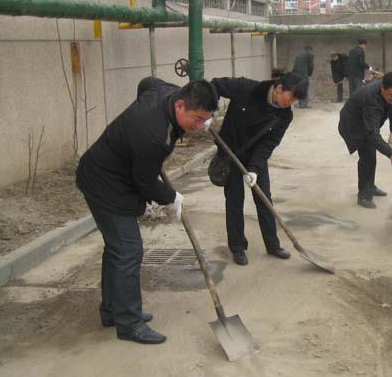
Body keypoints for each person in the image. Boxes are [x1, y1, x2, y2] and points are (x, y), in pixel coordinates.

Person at [76, 77, 218, 344]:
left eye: (206, 120)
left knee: (117, 250)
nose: (200, 126)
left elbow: (146, 83)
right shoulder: (153, 137)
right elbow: (144, 182)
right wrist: (171, 197)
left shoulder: (165, 92)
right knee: (128, 250)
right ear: (179, 106)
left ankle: (113, 311)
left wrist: (200, 117)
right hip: (105, 183)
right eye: (198, 119)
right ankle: (129, 324)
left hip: (111, 171)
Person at [210, 72, 306, 266]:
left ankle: (273, 245)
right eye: (292, 97)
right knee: (235, 200)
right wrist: (207, 111)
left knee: (264, 199)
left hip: (255, 156)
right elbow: (214, 85)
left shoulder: (284, 116)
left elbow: (268, 144)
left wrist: (254, 169)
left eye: (296, 100)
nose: (292, 103)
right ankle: (237, 247)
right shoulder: (246, 89)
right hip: (231, 153)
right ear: (279, 88)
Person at [338, 72, 392, 209]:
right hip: (353, 124)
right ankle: (364, 196)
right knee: (368, 156)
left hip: (367, 122)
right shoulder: (371, 98)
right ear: (382, 88)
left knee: (371, 153)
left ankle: (370, 186)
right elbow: (372, 134)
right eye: (390, 95)